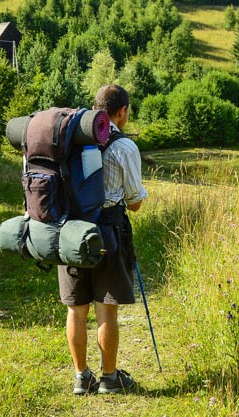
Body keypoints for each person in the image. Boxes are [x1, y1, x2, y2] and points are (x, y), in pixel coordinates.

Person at [58, 84, 148, 395]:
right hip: (107, 231)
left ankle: (82, 377)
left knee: (76, 309)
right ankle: (110, 378)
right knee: (106, 309)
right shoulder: (124, 147)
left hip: (69, 232)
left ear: (96, 107)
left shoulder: (71, 138)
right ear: (122, 112)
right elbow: (134, 203)